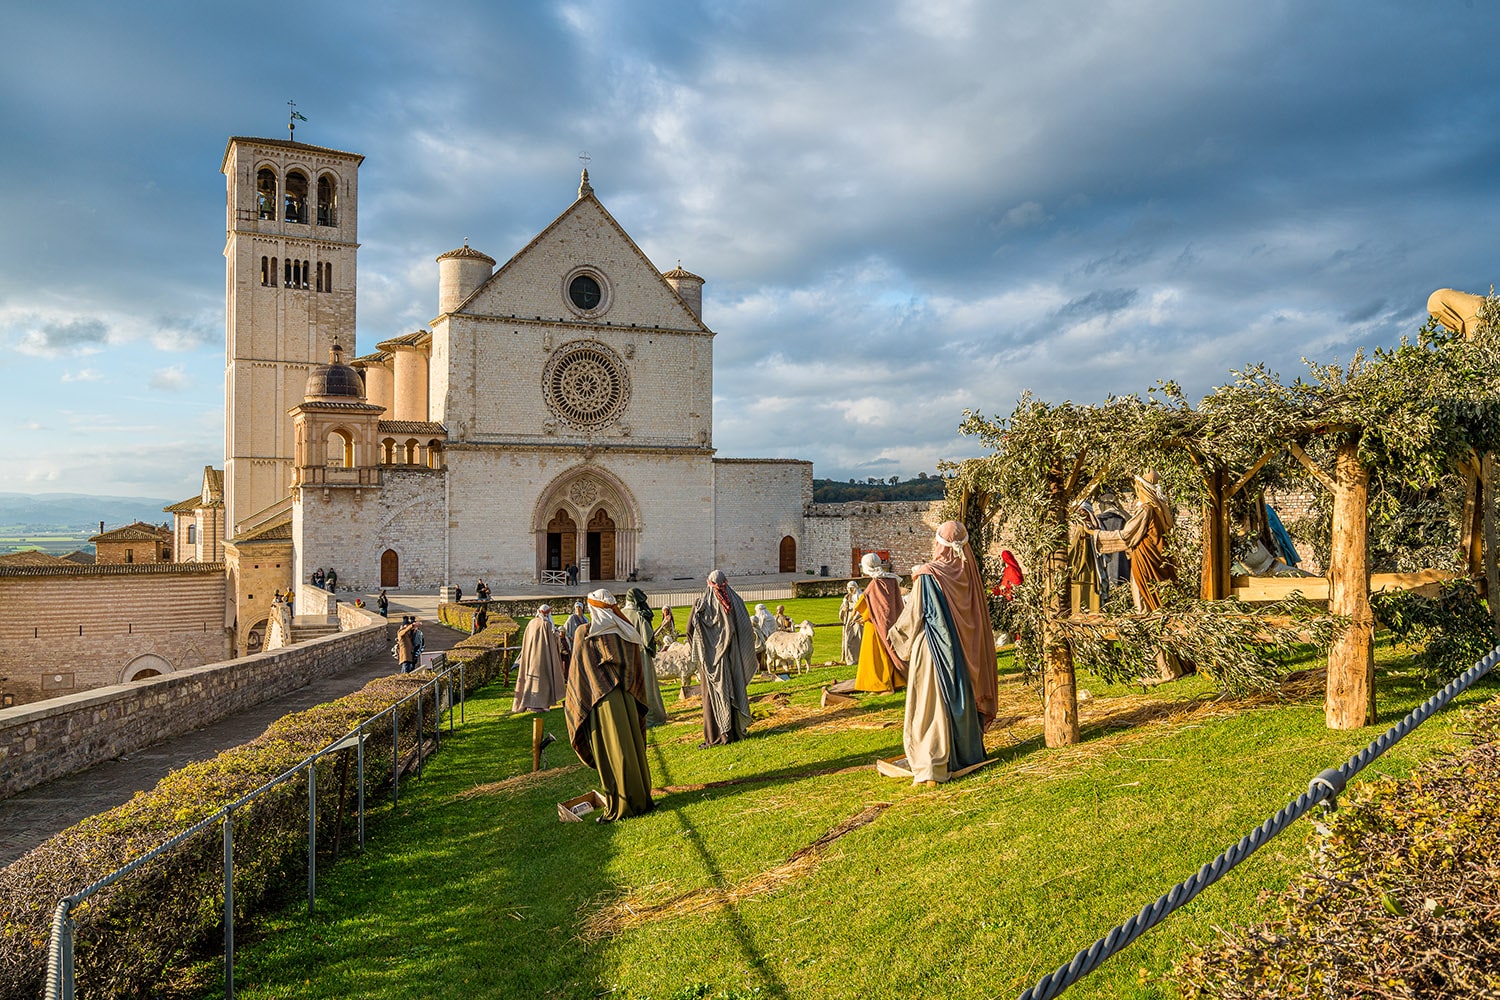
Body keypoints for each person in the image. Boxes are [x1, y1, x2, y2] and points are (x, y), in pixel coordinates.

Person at [888, 521, 995, 785]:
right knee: (959, 701)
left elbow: (915, 613)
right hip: (963, 649)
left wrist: (895, 636)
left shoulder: (928, 574)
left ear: (938, 543)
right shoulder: (968, 572)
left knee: (931, 707)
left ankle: (932, 764)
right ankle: (963, 754)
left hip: (934, 649)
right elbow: (976, 617)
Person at [564, 589, 656, 821]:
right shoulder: (626, 632)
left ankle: (621, 805)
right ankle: (641, 798)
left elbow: (578, 672)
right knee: (631, 748)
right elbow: (635, 667)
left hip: (600, 702)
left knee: (612, 752)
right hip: (627, 698)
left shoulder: (585, 633)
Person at [1094, 470, 1192, 680]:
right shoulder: (1162, 507)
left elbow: (1128, 536)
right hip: (1161, 564)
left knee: (1147, 610)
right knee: (1163, 609)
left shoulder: (1145, 510)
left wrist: (1095, 536)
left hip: (1146, 566)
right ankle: (1180, 664)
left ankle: (1166, 669)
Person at [687, 571, 756, 747]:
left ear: (709, 584)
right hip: (732, 659)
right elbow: (745, 629)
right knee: (732, 691)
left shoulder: (700, 605)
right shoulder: (735, 602)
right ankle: (733, 732)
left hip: (709, 663)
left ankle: (716, 737)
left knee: (711, 698)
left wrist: (706, 650)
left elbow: (690, 631)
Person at [515, 605, 566, 770]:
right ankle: (541, 705)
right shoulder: (546, 625)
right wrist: (558, 636)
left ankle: (530, 703)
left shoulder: (531, 623)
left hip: (531, 659)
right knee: (543, 682)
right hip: (543, 659)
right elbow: (553, 643)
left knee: (532, 681)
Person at [852, 552, 907, 693]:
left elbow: (867, 604)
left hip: (875, 624)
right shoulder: (891, 580)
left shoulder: (875, 584)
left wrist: (861, 615)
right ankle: (896, 681)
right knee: (889, 649)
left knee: (876, 655)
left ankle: (882, 684)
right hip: (891, 620)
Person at [621, 587, 669, 726]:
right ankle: (650, 716)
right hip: (641, 656)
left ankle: (631, 716)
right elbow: (648, 639)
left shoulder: (620, 615)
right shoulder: (639, 616)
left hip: (625, 656)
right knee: (646, 685)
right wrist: (651, 651)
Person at [838, 580, 863, 666]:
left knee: (858, 639)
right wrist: (844, 610)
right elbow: (843, 609)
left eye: (852, 588)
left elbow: (862, 608)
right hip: (849, 619)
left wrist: (855, 617)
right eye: (849, 588)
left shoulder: (860, 596)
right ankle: (850, 659)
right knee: (848, 639)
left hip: (858, 621)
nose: (850, 590)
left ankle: (859, 658)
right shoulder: (846, 598)